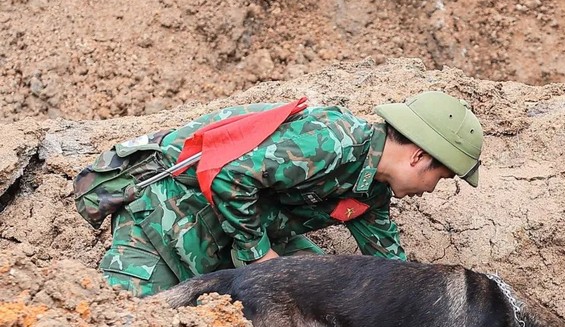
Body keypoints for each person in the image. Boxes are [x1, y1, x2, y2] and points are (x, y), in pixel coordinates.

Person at [86, 91, 484, 296]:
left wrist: (420, 301)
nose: (432, 191)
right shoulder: (331, 142)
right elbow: (228, 176)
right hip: (165, 211)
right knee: (129, 323)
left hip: (230, 232)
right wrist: (261, 257)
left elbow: (388, 260)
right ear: (417, 158)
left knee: (324, 296)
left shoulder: (372, 190)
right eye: (442, 178)